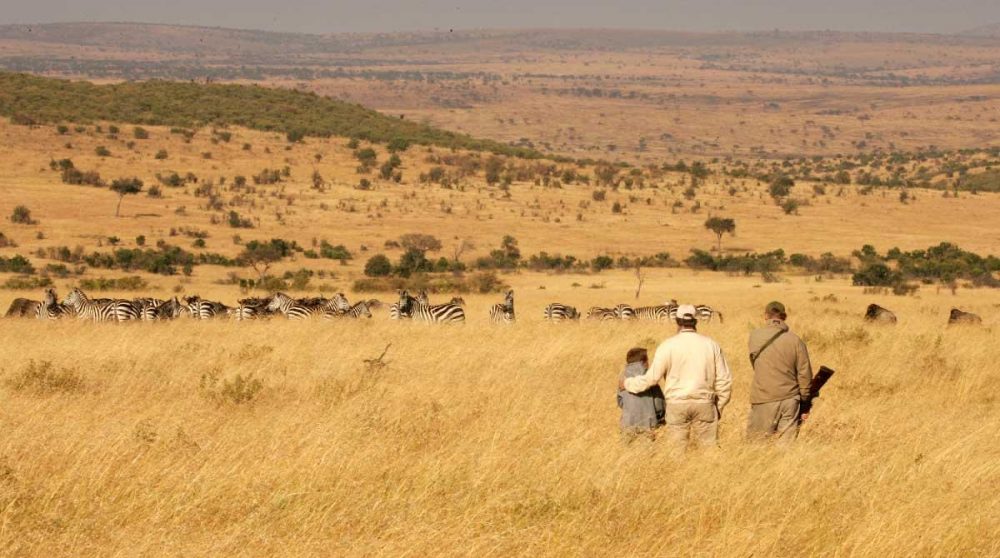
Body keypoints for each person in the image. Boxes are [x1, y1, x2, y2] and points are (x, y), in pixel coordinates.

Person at [620, 305, 732, 455]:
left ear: (677, 321)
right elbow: (724, 381)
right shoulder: (711, 345)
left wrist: (628, 383)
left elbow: (651, 378)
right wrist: (719, 406)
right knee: (709, 453)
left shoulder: (667, 345)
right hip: (705, 403)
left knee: (676, 453)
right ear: (695, 322)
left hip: (676, 405)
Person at [746, 301, 813, 444]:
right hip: (790, 399)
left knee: (757, 445)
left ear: (765, 316)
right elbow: (804, 374)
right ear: (785, 317)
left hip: (763, 398)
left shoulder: (754, 336)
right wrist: (805, 400)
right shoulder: (796, 340)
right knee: (785, 448)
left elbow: (755, 365)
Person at [616, 347, 665, 438]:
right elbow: (659, 404)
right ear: (644, 361)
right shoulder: (649, 378)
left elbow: (620, 401)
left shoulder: (623, 377)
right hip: (648, 424)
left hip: (627, 423)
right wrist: (661, 418)